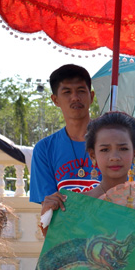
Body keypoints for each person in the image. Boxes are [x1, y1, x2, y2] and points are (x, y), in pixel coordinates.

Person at [30, 65, 97, 211]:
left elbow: (125, 193)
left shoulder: (114, 143)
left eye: (81, 91)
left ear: (91, 96)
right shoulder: (44, 149)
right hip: (68, 231)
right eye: (67, 92)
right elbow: (50, 207)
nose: (75, 97)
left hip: (112, 230)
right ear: (55, 100)